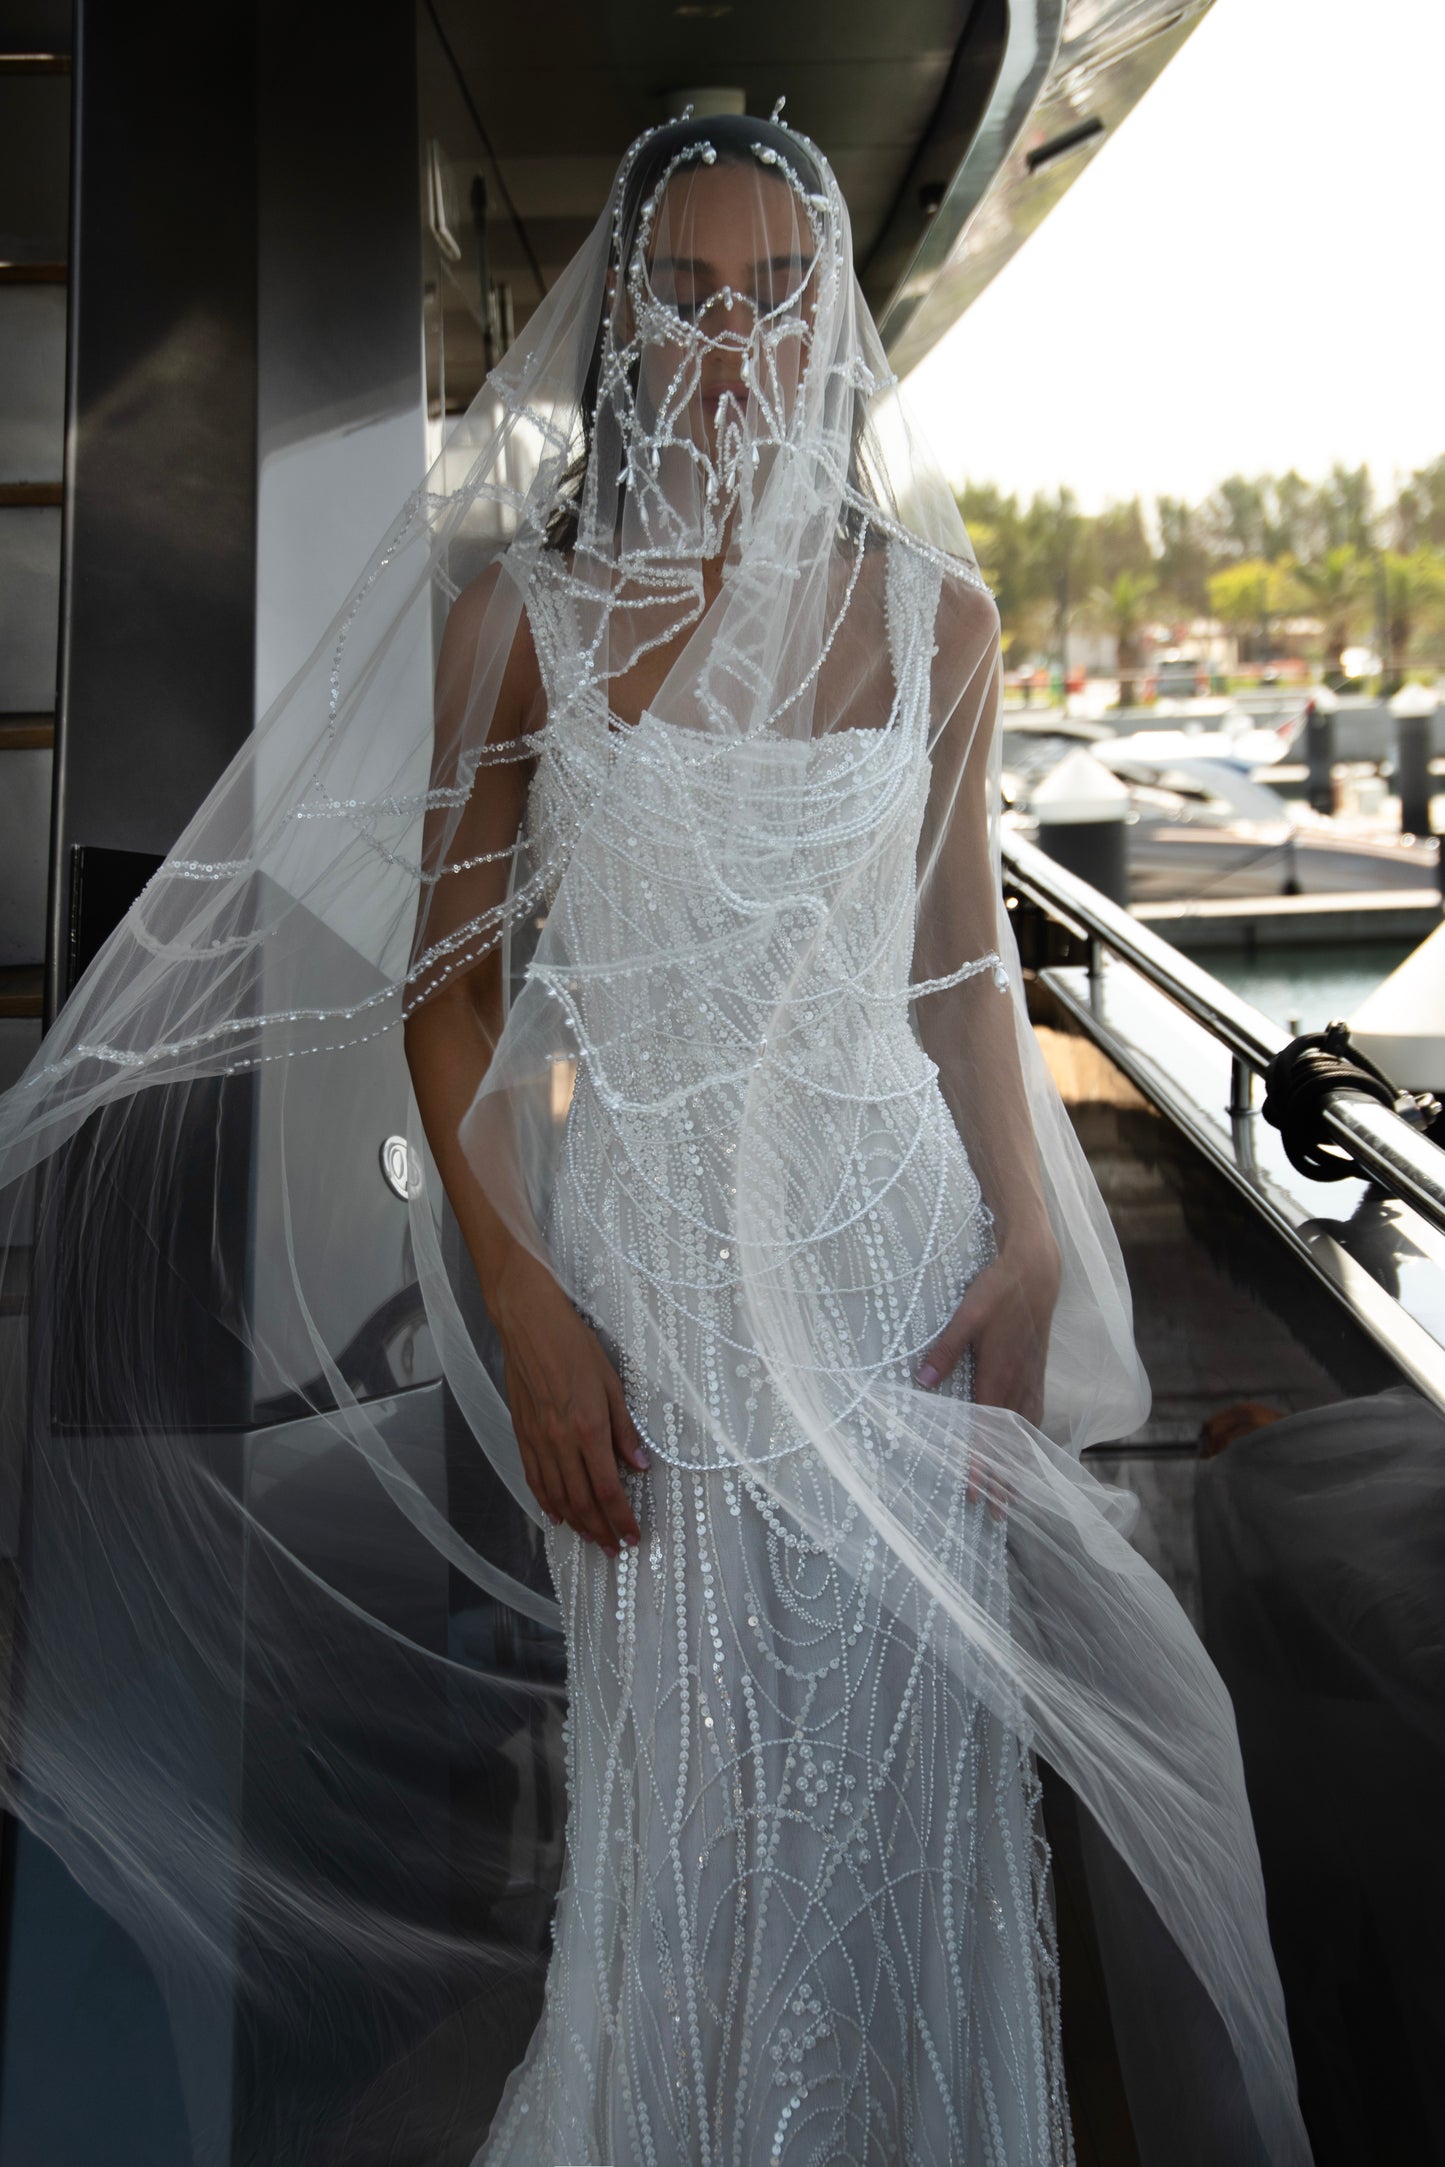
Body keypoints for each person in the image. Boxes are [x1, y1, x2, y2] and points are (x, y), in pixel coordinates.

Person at [0, 110, 1310, 2166]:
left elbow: (960, 972)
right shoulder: (520, 620)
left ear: (828, 333)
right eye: (689, 295)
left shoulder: (940, 618)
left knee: (904, 1798)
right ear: (627, 320)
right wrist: (518, 1292)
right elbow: (446, 990)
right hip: (650, 1295)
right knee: (691, 1805)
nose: (733, 342)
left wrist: (1034, 1245)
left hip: (898, 1282)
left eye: (777, 297)